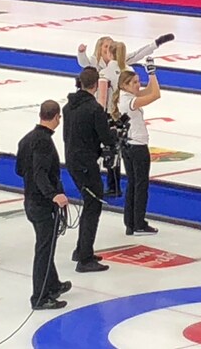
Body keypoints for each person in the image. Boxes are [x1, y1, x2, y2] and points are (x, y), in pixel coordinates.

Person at [15, 100, 71, 310]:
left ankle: (53, 283)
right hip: (41, 204)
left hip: (30, 200)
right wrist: (53, 194)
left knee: (46, 244)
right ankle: (40, 296)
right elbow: (39, 172)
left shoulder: (26, 139)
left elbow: (20, 170)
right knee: (44, 249)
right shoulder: (44, 142)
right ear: (57, 117)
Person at [63, 67, 116, 272]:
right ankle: (84, 258)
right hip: (85, 163)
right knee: (93, 205)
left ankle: (82, 249)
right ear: (95, 85)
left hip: (73, 159)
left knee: (89, 203)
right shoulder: (94, 109)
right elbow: (106, 137)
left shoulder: (69, 106)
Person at [114, 58, 161, 236]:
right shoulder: (129, 101)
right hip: (137, 146)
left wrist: (151, 77)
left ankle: (131, 222)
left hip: (129, 146)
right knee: (140, 185)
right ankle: (138, 223)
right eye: (134, 82)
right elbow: (155, 95)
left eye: (138, 81)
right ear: (125, 85)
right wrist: (151, 73)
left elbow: (150, 90)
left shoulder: (126, 97)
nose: (137, 84)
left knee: (133, 184)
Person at [97, 41, 134, 197]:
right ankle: (132, 184)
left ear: (110, 53)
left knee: (111, 151)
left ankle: (113, 186)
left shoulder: (105, 72)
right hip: (128, 113)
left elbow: (102, 98)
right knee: (127, 149)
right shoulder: (130, 70)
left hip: (111, 115)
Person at [77, 34, 175, 71]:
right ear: (99, 48)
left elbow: (138, 55)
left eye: (110, 46)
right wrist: (81, 53)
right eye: (105, 46)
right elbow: (84, 63)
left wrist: (156, 43)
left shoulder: (119, 59)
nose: (108, 49)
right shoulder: (94, 60)